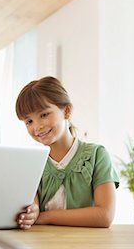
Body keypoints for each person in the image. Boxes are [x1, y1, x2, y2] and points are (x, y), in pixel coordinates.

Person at [14, 76, 119, 229]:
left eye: (43, 115)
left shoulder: (97, 155)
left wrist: (46, 217)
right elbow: (33, 205)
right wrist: (33, 213)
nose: (37, 127)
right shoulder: (32, 162)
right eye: (29, 121)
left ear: (67, 111)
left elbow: (105, 216)